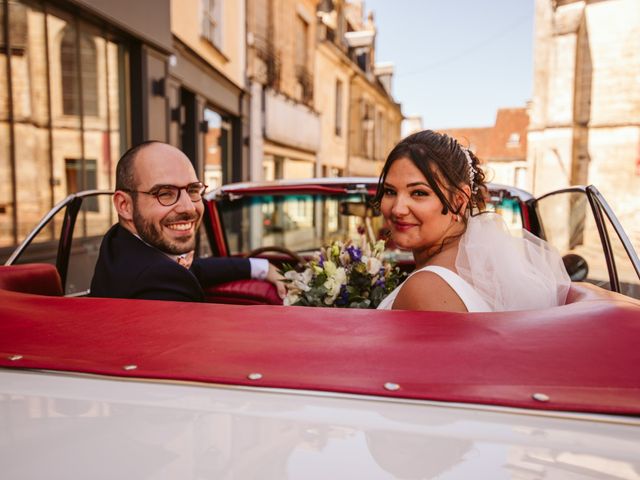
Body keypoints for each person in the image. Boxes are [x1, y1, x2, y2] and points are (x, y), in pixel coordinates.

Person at [375, 130, 570, 312]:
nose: (398, 209)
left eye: (419, 193)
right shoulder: (487, 269)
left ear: (459, 201)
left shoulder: (424, 288)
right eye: (390, 191)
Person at [90, 141, 285, 302]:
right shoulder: (162, 285)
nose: (189, 207)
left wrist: (261, 267)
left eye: (192, 190)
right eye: (164, 193)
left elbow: (192, 268)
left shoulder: (119, 242)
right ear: (125, 205)